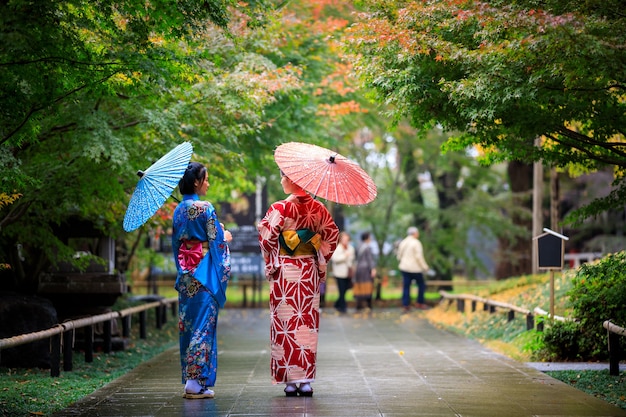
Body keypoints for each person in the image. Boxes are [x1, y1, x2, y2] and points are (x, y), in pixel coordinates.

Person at [257, 170, 339, 397]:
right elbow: (331, 235)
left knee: (286, 324)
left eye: (283, 177)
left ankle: (290, 382)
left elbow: (266, 237)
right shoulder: (319, 209)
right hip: (308, 271)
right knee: (306, 323)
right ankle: (305, 381)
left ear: (293, 180)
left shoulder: (279, 208)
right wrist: (317, 254)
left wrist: (275, 256)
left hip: (285, 271)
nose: (282, 180)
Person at [172, 162, 232, 399]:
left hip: (187, 274)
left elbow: (176, 244)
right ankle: (196, 382)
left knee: (187, 324)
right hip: (204, 272)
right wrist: (224, 236)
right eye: (205, 178)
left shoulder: (178, 209)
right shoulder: (205, 206)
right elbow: (216, 240)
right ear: (196, 181)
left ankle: (191, 378)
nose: (208, 182)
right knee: (203, 325)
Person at [397, 226, 430, 312]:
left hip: (404, 267)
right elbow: (419, 257)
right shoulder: (416, 243)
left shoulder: (403, 242)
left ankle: (406, 304)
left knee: (406, 286)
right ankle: (420, 302)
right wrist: (425, 267)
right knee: (421, 284)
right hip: (415, 268)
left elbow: (399, 255)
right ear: (415, 233)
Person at [330, 231, 355, 314]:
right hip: (339, 273)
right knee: (341, 290)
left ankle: (337, 304)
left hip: (348, 273)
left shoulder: (351, 248)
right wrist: (345, 256)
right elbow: (334, 259)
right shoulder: (337, 248)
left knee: (345, 290)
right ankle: (343, 307)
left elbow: (352, 258)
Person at [353, 231, 376, 311]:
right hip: (366, 269)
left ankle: (359, 304)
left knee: (359, 285)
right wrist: (373, 269)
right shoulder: (367, 247)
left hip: (358, 269)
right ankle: (368, 304)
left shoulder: (358, 246)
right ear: (367, 238)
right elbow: (370, 259)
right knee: (368, 285)